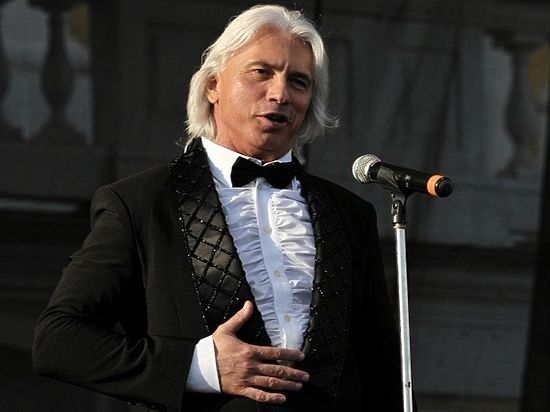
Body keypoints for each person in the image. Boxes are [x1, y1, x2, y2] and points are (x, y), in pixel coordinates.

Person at [32, 4, 415, 412]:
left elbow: (380, 371)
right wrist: (200, 367)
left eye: (299, 81)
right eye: (261, 72)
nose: (280, 94)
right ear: (213, 86)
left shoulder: (350, 214)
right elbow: (58, 340)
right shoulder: (141, 202)